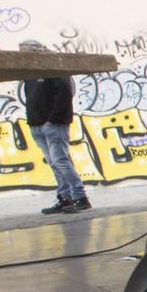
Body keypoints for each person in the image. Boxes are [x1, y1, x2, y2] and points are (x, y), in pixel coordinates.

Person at [20, 71, 90, 215]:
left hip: (53, 124)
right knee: (54, 162)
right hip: (37, 125)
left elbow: (64, 94)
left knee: (60, 161)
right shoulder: (28, 74)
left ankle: (80, 197)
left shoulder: (54, 70)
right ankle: (66, 197)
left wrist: (52, 120)